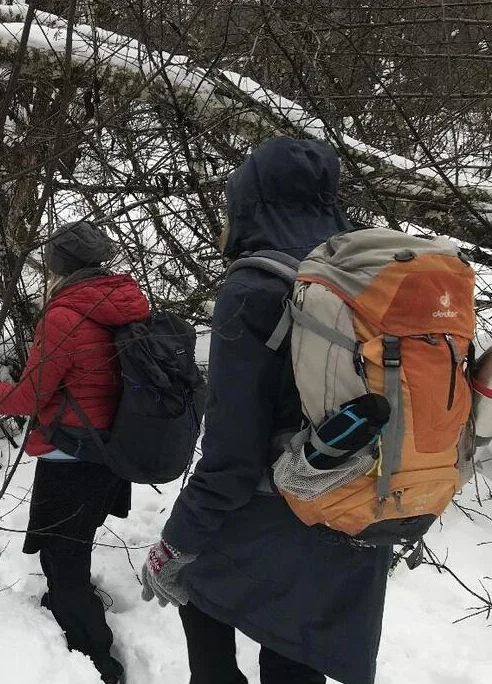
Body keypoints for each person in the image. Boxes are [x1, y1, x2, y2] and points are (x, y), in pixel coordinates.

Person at [140, 137, 389, 684]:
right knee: (297, 665)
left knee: (200, 602)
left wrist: (175, 544)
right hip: (358, 516)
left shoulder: (255, 289)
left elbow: (230, 460)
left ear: (248, 202)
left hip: (273, 519)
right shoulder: (372, 280)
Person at [0, 221, 148, 684]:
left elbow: (29, 397)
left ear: (59, 267)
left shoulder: (63, 316)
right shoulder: (121, 305)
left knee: (61, 556)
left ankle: (97, 658)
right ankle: (68, 607)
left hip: (69, 456)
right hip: (108, 453)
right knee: (73, 544)